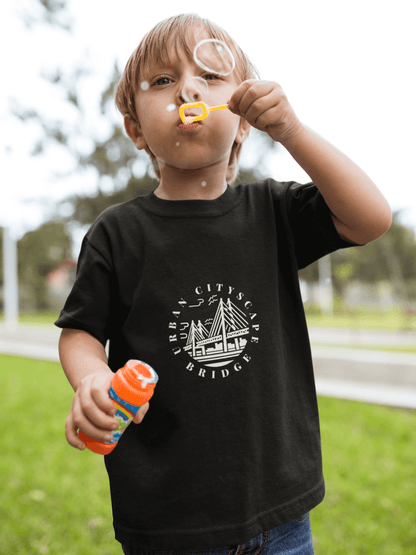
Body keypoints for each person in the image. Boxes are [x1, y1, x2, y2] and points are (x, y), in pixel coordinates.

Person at [56, 13, 392, 555]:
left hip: (282, 511)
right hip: (169, 519)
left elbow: (370, 218)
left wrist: (292, 131)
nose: (188, 87)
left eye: (210, 76)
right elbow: (80, 332)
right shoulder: (117, 232)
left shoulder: (273, 211)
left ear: (241, 119)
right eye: (163, 81)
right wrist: (92, 379)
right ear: (136, 128)